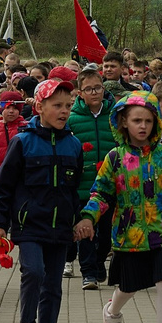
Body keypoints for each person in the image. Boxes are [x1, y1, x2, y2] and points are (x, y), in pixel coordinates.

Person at [79, 91, 162, 323]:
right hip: (128, 234)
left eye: (148, 120)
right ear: (123, 122)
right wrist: (88, 217)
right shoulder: (115, 157)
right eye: (136, 121)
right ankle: (112, 312)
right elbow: (101, 193)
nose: (143, 126)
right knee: (129, 286)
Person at [0, 77, 88, 323]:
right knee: (33, 272)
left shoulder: (73, 145)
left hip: (60, 227)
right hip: (29, 223)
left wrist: (80, 218)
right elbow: (3, 187)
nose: (64, 111)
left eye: (68, 106)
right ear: (40, 107)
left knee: (53, 284)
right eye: (57, 105)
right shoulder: (23, 142)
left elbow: (74, 190)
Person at [66, 70, 121, 289]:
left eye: (97, 87)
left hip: (109, 185)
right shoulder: (73, 119)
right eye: (88, 89)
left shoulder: (115, 115)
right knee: (85, 230)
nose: (94, 92)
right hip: (83, 185)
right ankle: (88, 272)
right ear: (80, 93)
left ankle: (99, 262)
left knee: (105, 233)